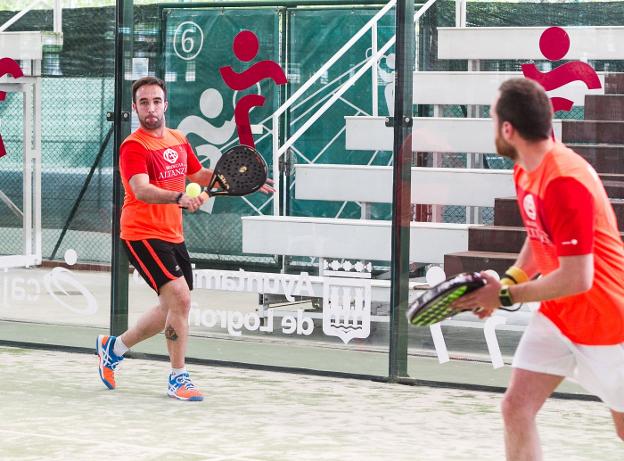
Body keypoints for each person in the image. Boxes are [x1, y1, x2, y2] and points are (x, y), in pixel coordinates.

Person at [453, 78, 624, 459]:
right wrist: (512, 277)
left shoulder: (565, 180)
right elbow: (539, 235)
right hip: (559, 317)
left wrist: (503, 295)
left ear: (508, 130)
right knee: (516, 407)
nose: (492, 125)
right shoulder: (526, 168)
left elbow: (579, 277)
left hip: (609, 323)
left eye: (493, 117)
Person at [96, 76, 271, 401]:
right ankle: (178, 378)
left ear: (166, 104)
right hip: (141, 233)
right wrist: (179, 199)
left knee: (171, 307)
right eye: (144, 102)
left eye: (156, 101)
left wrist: (240, 179)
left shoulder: (177, 139)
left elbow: (198, 174)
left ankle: (113, 348)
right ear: (135, 108)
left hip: (172, 234)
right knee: (181, 299)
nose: (151, 108)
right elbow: (141, 189)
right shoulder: (133, 147)